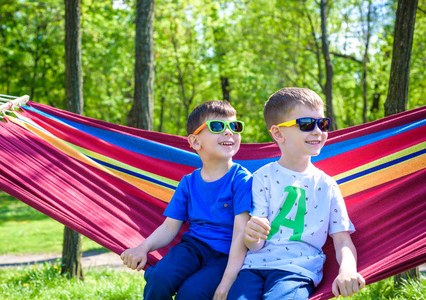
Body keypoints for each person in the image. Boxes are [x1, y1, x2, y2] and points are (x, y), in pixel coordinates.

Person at [227, 87, 365, 300]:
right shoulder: (262, 178)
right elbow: (256, 244)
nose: (318, 131)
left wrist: (347, 269)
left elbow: (342, 240)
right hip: (253, 268)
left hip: (297, 270)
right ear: (278, 133)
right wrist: (251, 234)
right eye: (307, 124)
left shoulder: (327, 185)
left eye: (323, 123)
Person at [121, 100, 252, 300]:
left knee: (191, 293)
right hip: (193, 247)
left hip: (225, 256)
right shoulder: (189, 182)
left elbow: (241, 233)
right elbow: (169, 227)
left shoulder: (242, 180)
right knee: (158, 279)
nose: (229, 132)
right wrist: (142, 249)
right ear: (195, 142)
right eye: (217, 126)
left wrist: (227, 282)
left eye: (235, 126)